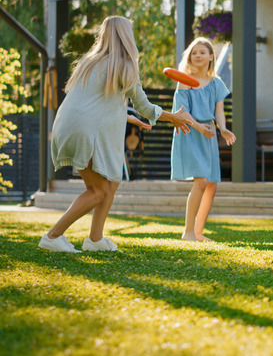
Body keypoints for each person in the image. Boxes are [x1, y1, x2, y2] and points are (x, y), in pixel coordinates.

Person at [38, 16, 194, 253]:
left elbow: (95, 103)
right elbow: (145, 107)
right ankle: (53, 236)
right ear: (126, 36)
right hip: (85, 131)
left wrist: (126, 117)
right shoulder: (126, 65)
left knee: (111, 182)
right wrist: (174, 117)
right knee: (98, 190)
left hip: (66, 125)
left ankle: (95, 239)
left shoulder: (89, 62)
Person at [170, 37, 236, 242]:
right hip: (190, 132)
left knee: (211, 185)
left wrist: (223, 129)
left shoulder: (216, 83)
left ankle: (198, 232)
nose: (197, 55)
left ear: (210, 56)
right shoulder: (184, 81)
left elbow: (219, 111)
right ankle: (188, 232)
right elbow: (181, 113)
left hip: (208, 134)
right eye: (194, 52)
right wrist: (199, 127)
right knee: (201, 181)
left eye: (202, 52)